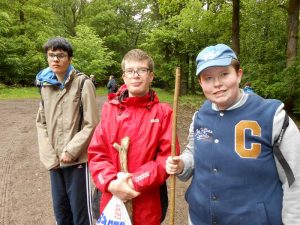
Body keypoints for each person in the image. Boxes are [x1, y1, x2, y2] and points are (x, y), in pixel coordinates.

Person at [166, 44, 300, 225]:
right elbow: (193, 152)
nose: (217, 83)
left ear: (239, 74)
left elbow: (295, 181)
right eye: (208, 78)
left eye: (224, 74)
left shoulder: (273, 117)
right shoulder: (200, 116)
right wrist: (182, 163)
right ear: (201, 83)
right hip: (199, 219)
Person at [88, 49, 180, 225]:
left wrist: (133, 182)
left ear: (151, 76)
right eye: (130, 71)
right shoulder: (110, 110)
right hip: (111, 198)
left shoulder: (164, 113)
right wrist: (111, 183)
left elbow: (167, 158)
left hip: (148, 202)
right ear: (124, 77)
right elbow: (97, 153)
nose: (135, 75)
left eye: (142, 70)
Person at [35, 37, 99, 225]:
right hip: (54, 163)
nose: (55, 59)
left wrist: (71, 151)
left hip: (77, 161)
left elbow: (92, 123)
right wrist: (49, 156)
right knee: (61, 212)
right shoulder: (45, 85)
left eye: (60, 55)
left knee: (81, 216)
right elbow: (41, 122)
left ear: (69, 59)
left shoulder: (83, 83)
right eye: (51, 55)